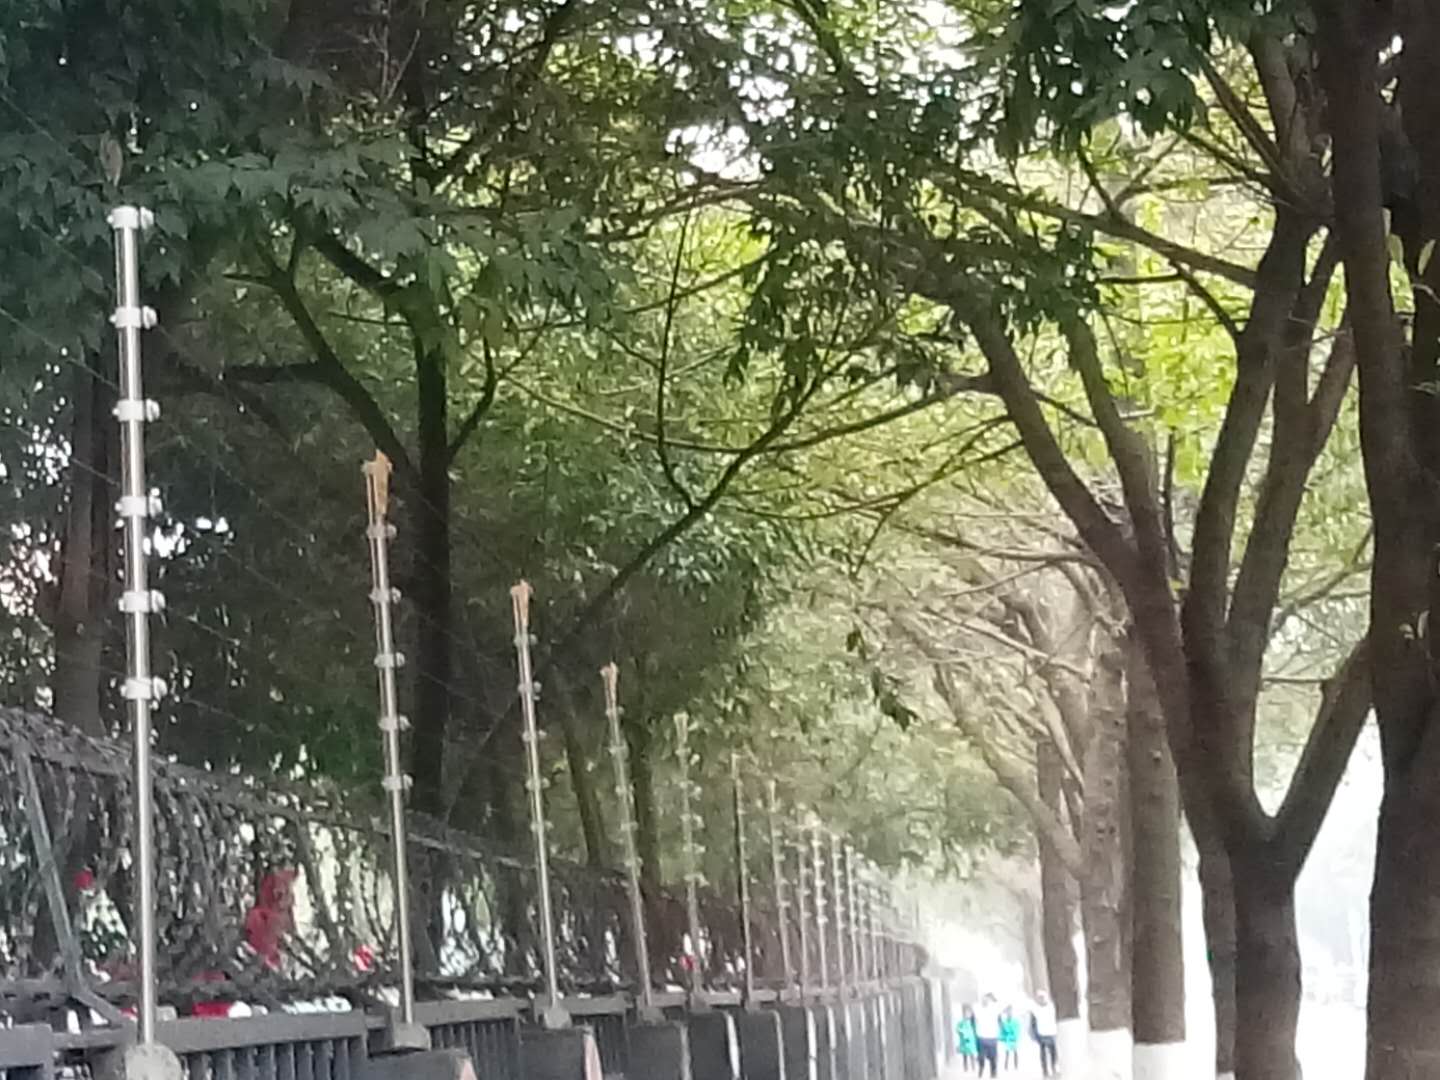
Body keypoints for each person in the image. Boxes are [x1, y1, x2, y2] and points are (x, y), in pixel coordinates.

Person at [1031, 990, 1059, 1077]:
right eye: (1039, 998)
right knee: (1044, 1054)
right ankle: (1045, 1071)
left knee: (1053, 1052)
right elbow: (1032, 1024)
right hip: (1042, 1034)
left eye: (1042, 997)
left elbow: (1055, 1017)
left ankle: (1054, 1068)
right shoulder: (1035, 1010)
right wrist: (1034, 1036)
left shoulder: (1051, 1007)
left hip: (1051, 1033)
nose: (1041, 999)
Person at [974, 993, 1001, 1077]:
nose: (985, 1001)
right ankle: (981, 1069)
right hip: (981, 1037)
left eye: (986, 1000)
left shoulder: (994, 1010)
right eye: (983, 1000)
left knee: (993, 1057)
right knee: (981, 1056)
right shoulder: (978, 1010)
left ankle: (993, 1073)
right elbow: (973, 1020)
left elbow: (1000, 1021)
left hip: (992, 1037)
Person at [956, 1005, 979, 1073]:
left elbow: (976, 1029)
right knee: (965, 1055)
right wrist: (962, 1032)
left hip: (971, 1040)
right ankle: (965, 1068)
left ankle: (973, 1067)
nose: (967, 1015)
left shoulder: (973, 1022)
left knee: (972, 1054)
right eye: (966, 1013)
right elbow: (957, 1029)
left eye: (969, 1013)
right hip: (964, 1040)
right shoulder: (961, 1022)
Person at [1000, 1006, 1021, 1071]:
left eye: (1010, 1012)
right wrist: (1002, 1038)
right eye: (1008, 1012)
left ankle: (1016, 1066)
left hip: (1014, 1039)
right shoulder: (1004, 1021)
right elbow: (1002, 1031)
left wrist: (1016, 1037)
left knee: (1015, 1052)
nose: (1009, 1013)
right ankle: (1006, 1067)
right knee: (1007, 1053)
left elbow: (1017, 1030)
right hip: (1007, 1039)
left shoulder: (1015, 1021)